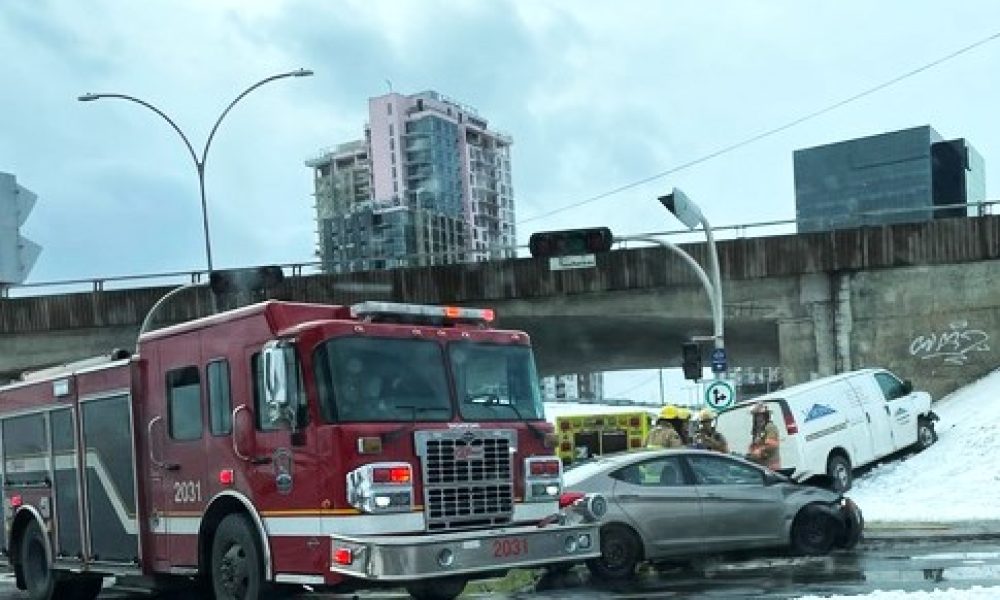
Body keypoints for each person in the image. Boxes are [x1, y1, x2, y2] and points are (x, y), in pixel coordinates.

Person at [747, 402, 780, 469]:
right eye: (756, 416)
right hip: (761, 466)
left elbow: (772, 445)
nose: (758, 418)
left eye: (760, 416)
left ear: (766, 416)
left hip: (771, 467)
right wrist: (751, 451)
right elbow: (755, 444)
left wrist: (760, 450)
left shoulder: (770, 427)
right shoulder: (758, 430)